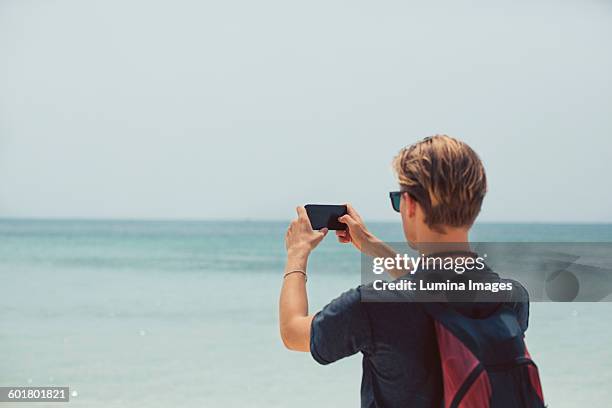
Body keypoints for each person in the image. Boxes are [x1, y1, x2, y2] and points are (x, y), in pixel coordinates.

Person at [278, 135, 531, 407]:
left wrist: (297, 254)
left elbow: (293, 332)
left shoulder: (371, 307)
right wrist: (375, 248)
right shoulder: (512, 298)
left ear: (409, 204)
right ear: (476, 204)